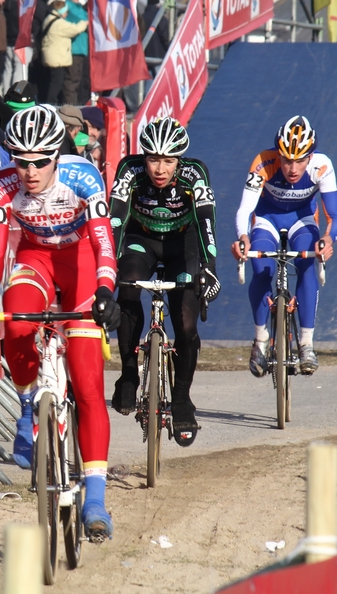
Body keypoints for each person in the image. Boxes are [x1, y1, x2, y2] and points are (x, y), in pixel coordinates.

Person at [0, 105, 120, 540]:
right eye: (21, 160)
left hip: (81, 264)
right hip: (35, 259)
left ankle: (95, 500)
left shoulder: (84, 177)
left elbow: (103, 240)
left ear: (57, 155)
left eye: (40, 161)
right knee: (14, 323)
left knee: (89, 384)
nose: (30, 171)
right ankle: (26, 407)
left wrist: (107, 291)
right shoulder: (1, 186)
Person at [109, 116, 220, 447]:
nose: (159, 168)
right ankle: (129, 373)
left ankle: (183, 397)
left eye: (168, 160)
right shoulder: (129, 170)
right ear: (143, 156)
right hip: (140, 241)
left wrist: (209, 267)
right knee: (127, 285)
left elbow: (206, 223)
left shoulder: (194, 174)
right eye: (153, 158)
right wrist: (104, 266)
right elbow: (114, 221)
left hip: (180, 246)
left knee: (185, 323)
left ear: (179, 160)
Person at [231, 115, 337, 377]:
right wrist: (243, 237)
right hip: (267, 220)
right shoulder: (263, 162)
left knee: (306, 263)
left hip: (302, 220)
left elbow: (335, 217)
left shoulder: (322, 166)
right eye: (286, 160)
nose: (293, 168)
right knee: (262, 270)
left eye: (300, 160)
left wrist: (328, 239)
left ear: (310, 157)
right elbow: (245, 209)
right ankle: (260, 340)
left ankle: (306, 344)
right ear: (278, 156)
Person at [41, 0, 87, 105]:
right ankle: (51, 104)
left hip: (51, 57)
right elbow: (74, 29)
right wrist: (84, 23)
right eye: (66, 11)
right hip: (57, 59)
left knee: (53, 82)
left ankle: (51, 102)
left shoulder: (49, 19)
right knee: (56, 84)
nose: (67, 14)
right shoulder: (59, 24)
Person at [63, 0, 88, 105]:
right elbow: (83, 19)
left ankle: (75, 105)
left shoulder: (78, 6)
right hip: (74, 49)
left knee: (78, 81)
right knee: (71, 80)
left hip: (82, 49)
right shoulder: (68, 6)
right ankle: (70, 107)